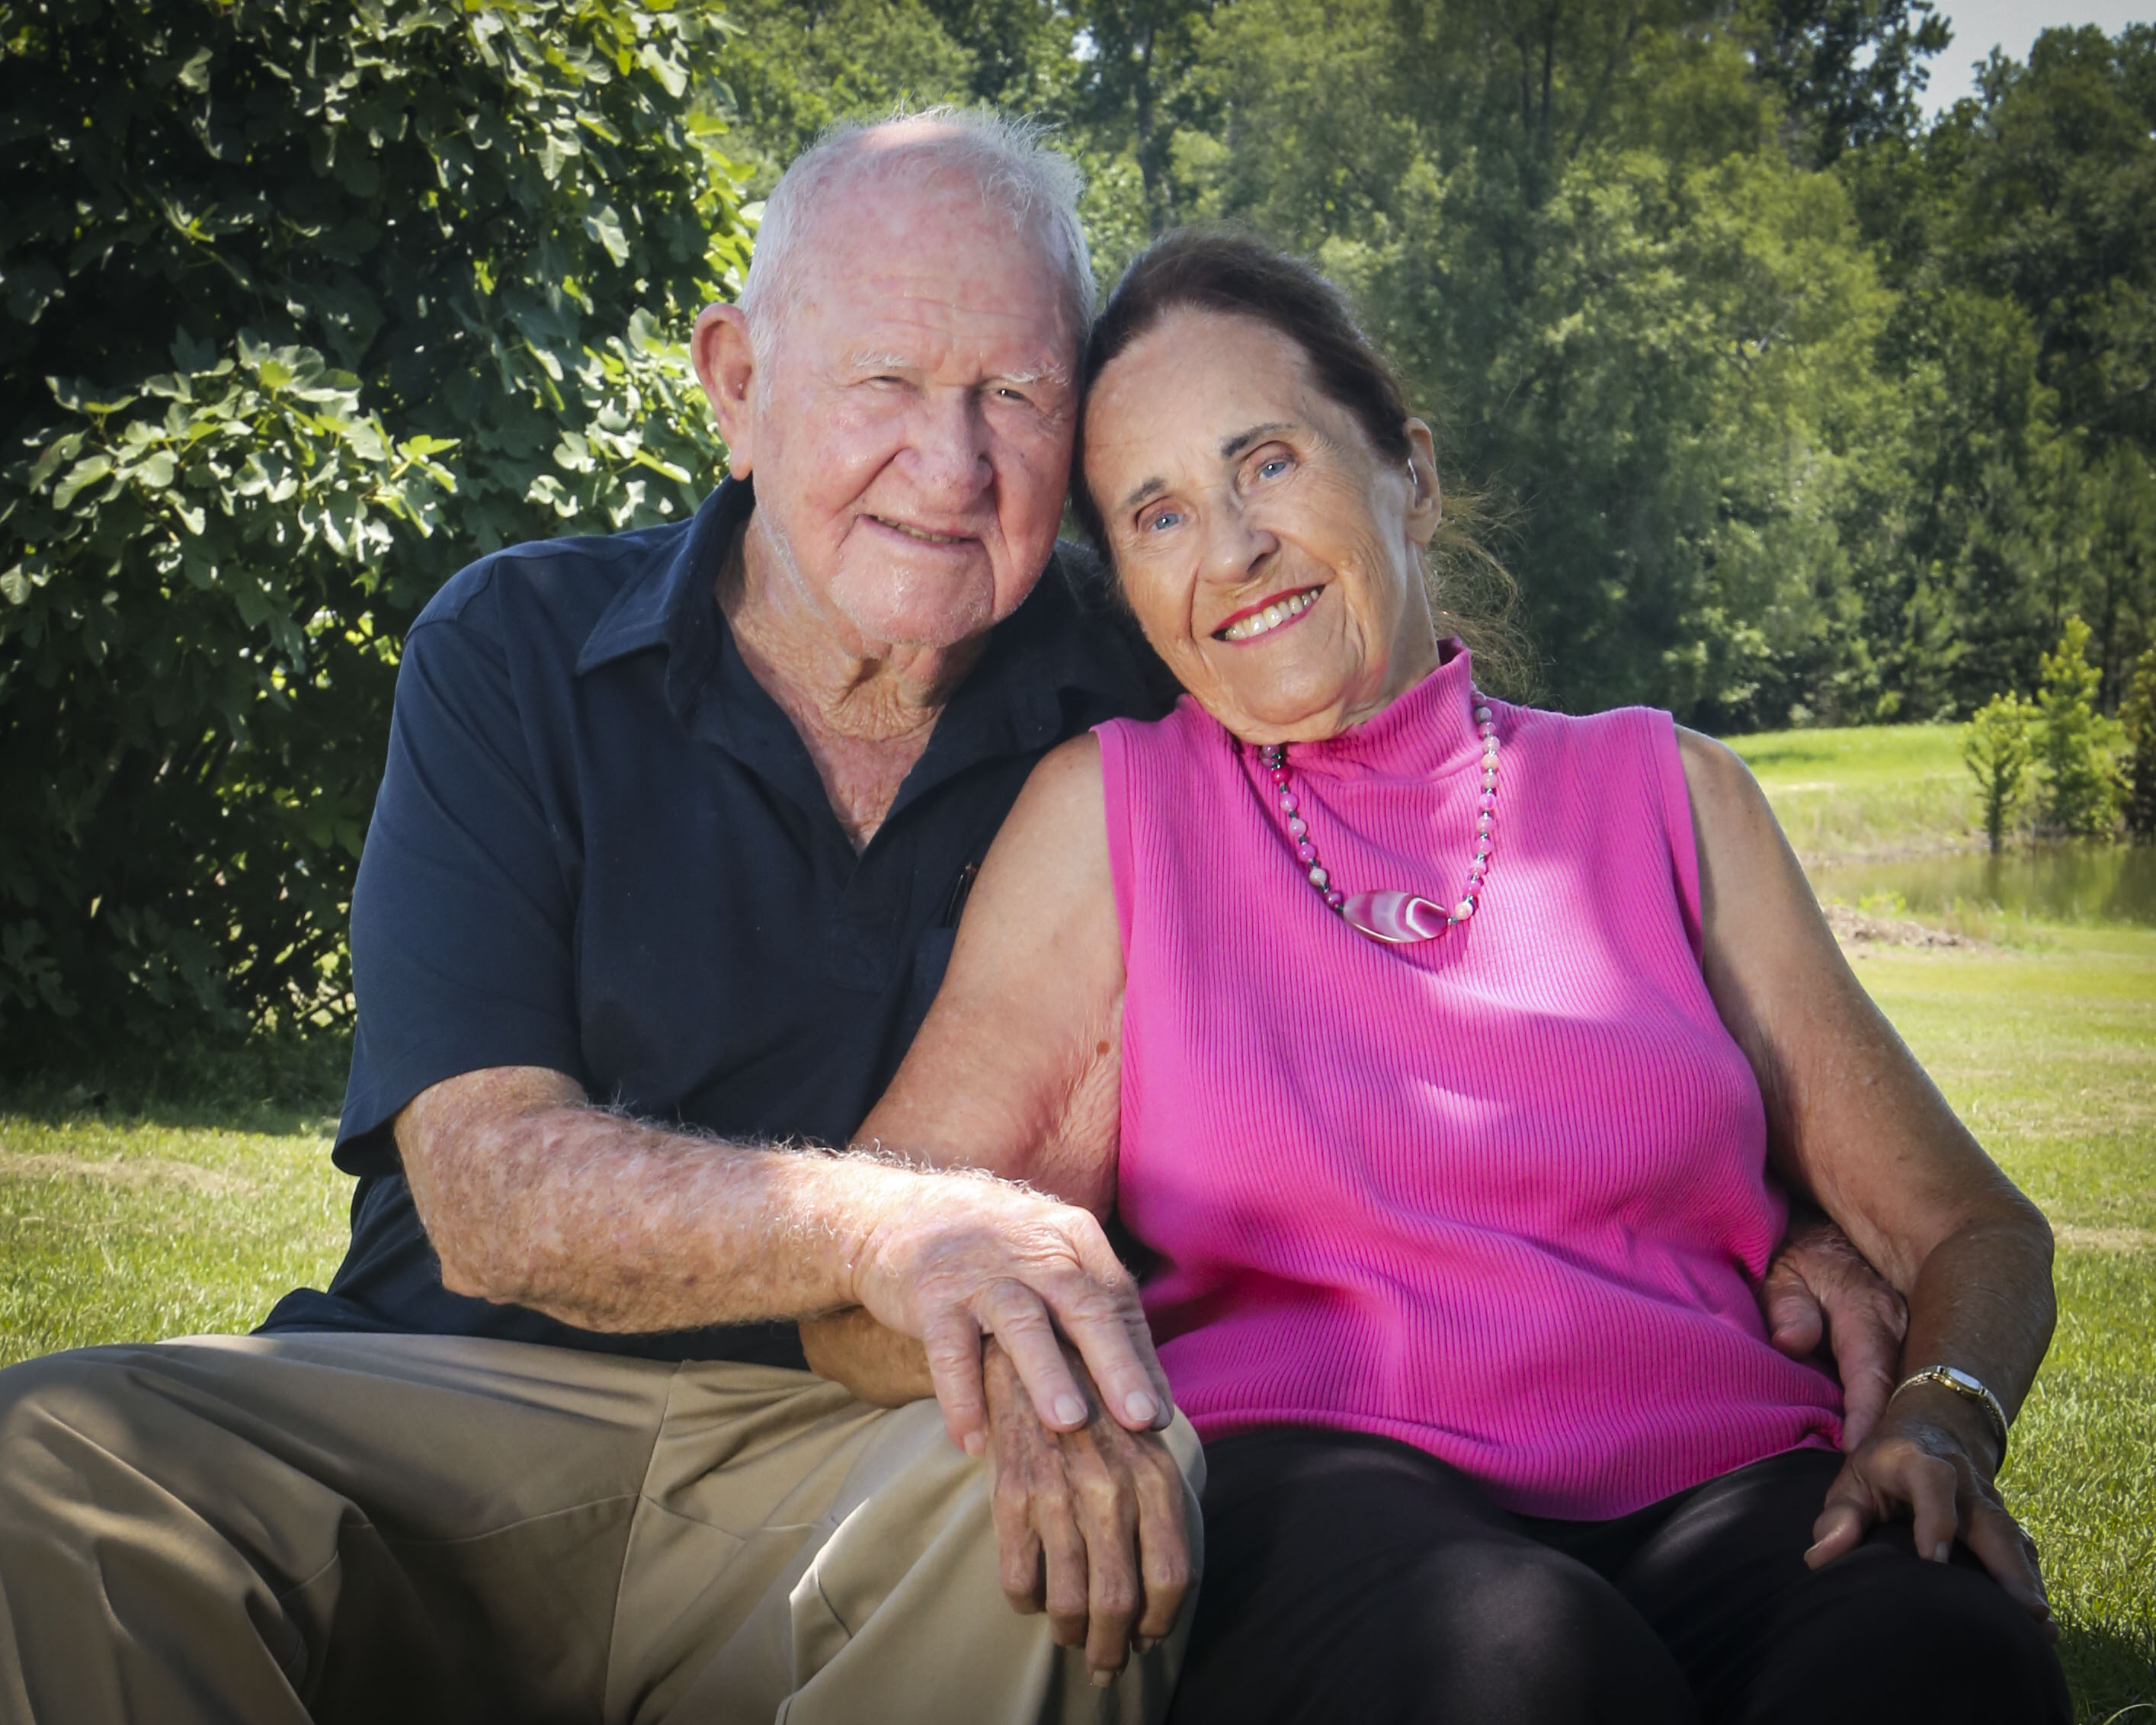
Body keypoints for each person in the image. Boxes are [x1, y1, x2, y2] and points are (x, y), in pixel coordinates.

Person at [0, 114, 1896, 1722]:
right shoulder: (514, 649)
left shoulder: (1146, 694)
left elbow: (1441, 878)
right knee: (50, 1458)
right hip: (451, 1397)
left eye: (1011, 394)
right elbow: (492, 1190)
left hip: (890, 1452)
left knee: (1090, 1526)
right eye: (884, 385)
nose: (954, 461)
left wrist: (1769, 1183)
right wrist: (899, 1223)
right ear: (734, 385)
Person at [818, 230, 2071, 1724]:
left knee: (1939, 1656)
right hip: (1324, 1494)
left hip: (1735, 1478)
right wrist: (1049, 1376)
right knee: (1517, 1667)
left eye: (1266, 462)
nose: (1230, 547)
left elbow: (1974, 1228)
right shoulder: (1112, 816)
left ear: (1408, 473)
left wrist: (1940, 1414)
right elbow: (865, 1284)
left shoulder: (1670, 794)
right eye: (1156, 514)